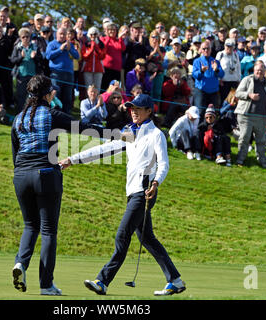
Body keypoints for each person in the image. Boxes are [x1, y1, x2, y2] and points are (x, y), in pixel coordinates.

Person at [59, 94, 186, 297]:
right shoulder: (130, 132)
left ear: (149, 111)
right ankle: (175, 280)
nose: (133, 111)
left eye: (138, 108)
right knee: (148, 239)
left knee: (122, 235)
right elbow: (105, 149)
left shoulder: (156, 135)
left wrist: (155, 183)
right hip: (133, 191)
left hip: (144, 192)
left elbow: (164, 164)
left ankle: (102, 280)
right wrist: (73, 159)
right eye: (131, 108)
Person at [11, 75, 64, 296]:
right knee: (48, 230)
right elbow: (85, 127)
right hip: (46, 174)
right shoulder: (51, 114)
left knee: (30, 226)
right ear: (46, 94)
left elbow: (15, 155)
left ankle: (20, 264)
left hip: (21, 176)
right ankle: (46, 285)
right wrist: (120, 135)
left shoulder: (17, 119)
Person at [234, 61, 266, 168]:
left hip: (261, 117)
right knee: (244, 137)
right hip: (246, 115)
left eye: (261, 70)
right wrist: (249, 95)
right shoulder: (247, 80)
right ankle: (240, 159)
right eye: (257, 70)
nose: (259, 72)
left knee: (261, 140)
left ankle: (262, 161)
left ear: (265, 71)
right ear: (254, 70)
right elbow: (237, 93)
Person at [45, 27, 79, 114]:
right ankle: (56, 115)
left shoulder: (69, 44)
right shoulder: (52, 44)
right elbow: (48, 56)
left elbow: (77, 56)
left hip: (69, 74)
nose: (62, 36)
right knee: (56, 95)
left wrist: (70, 49)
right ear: (56, 34)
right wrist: (60, 49)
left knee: (68, 97)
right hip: (56, 73)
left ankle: (67, 117)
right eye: (60, 34)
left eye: (64, 34)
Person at [192, 41, 224, 116]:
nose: (206, 50)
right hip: (201, 91)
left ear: (211, 50)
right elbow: (195, 75)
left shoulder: (216, 61)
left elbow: (222, 75)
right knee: (200, 112)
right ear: (201, 50)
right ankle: (199, 127)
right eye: (204, 49)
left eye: (208, 48)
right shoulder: (197, 61)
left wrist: (216, 69)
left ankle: (211, 127)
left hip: (214, 92)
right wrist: (201, 71)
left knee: (214, 113)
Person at [10, 27, 37, 113]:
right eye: (23, 37)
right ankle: (19, 116)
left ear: (30, 37)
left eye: (27, 36)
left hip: (33, 76)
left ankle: (32, 116)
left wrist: (36, 57)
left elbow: (41, 61)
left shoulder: (35, 47)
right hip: (21, 76)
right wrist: (20, 57)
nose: (25, 38)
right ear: (20, 38)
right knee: (21, 97)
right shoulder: (17, 48)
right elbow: (12, 60)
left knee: (33, 97)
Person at [100, 23, 126, 90]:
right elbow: (103, 48)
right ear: (107, 31)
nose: (112, 31)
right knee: (105, 87)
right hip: (106, 68)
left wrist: (120, 38)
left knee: (115, 88)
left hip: (116, 68)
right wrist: (108, 38)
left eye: (114, 30)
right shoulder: (103, 39)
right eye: (110, 30)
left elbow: (123, 48)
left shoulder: (118, 40)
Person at [216, 38, 241, 103]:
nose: (229, 48)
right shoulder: (220, 54)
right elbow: (216, 67)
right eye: (228, 46)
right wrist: (218, 79)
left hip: (234, 82)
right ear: (224, 46)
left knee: (233, 101)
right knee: (224, 101)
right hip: (224, 82)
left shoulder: (236, 55)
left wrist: (239, 80)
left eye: (231, 46)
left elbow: (238, 68)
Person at [81, 26, 106, 90]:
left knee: (97, 88)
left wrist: (96, 48)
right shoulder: (86, 44)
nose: (93, 36)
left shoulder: (101, 44)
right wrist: (91, 49)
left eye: (95, 34)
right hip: (87, 69)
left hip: (98, 69)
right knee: (89, 88)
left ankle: (97, 100)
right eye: (91, 34)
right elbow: (84, 56)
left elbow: (102, 56)